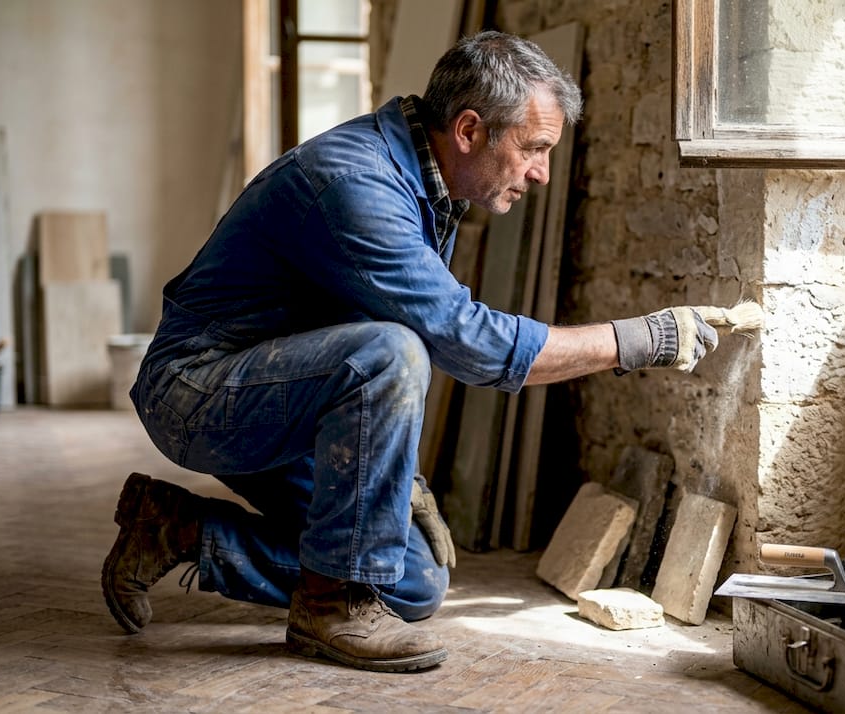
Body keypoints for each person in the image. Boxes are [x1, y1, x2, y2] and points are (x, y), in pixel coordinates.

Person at [101, 30, 724, 674]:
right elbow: (467, 343)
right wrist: (636, 339)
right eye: (534, 149)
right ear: (469, 130)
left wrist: (399, 478)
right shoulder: (355, 184)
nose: (541, 172)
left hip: (287, 399)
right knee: (392, 352)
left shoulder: (426, 183)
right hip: (197, 392)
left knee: (412, 583)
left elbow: (355, 353)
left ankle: (178, 530)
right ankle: (331, 608)